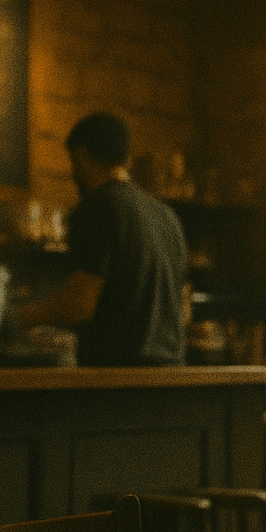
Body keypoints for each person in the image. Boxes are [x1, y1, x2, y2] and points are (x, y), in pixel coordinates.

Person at [13, 112, 187, 367]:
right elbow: (183, 310)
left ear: (82, 155)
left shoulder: (97, 208)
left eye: (72, 161)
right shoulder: (167, 216)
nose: (73, 172)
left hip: (117, 381)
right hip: (172, 378)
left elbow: (78, 307)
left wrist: (16, 316)